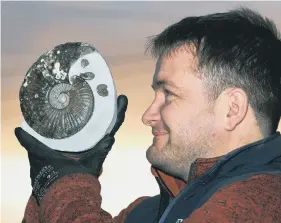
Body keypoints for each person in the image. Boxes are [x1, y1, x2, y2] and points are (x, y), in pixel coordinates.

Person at [16, 7, 281, 223]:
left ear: (232, 109)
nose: (147, 116)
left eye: (169, 94)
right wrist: (56, 175)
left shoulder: (263, 204)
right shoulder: (149, 213)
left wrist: (65, 185)